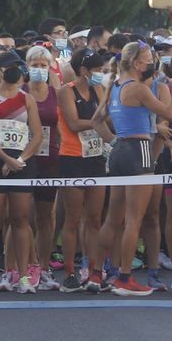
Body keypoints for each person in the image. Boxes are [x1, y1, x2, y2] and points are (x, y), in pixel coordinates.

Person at [105, 41, 172, 296]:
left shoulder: (116, 86)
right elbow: (171, 114)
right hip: (138, 149)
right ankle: (124, 276)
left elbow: (99, 119)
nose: (152, 65)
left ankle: (98, 270)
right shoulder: (138, 88)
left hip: (119, 149)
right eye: (148, 60)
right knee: (134, 219)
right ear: (136, 64)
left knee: (116, 218)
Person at [0, 51, 40, 294]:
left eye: (18, 66)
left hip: (21, 162)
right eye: (12, 66)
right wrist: (5, 159)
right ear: (0, 71)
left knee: (21, 219)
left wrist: (19, 159)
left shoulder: (27, 99)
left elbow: (37, 135)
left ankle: (23, 276)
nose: (16, 70)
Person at [57, 48, 112, 293]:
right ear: (83, 71)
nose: (101, 74)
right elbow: (73, 122)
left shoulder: (98, 89)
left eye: (102, 70)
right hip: (72, 157)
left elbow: (107, 118)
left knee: (94, 218)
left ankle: (93, 270)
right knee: (72, 218)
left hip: (95, 157)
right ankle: (69, 271)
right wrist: (98, 122)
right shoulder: (65, 91)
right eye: (97, 70)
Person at [23, 45, 62, 289]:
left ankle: (45, 266)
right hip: (25, 157)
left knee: (46, 216)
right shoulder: (20, 91)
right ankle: (27, 264)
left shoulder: (56, 92)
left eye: (43, 65)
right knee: (22, 216)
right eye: (34, 65)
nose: (39, 69)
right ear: (27, 67)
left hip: (51, 157)